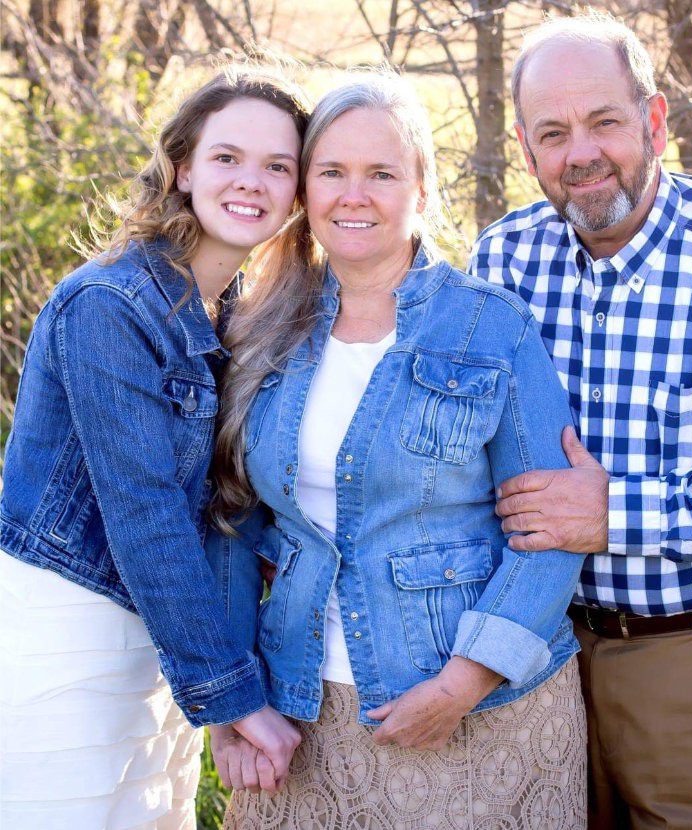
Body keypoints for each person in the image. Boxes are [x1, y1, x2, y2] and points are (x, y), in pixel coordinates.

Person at [206, 74, 587, 828]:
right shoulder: (259, 331)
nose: (356, 195)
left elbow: (550, 536)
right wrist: (230, 704)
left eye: (381, 173)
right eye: (333, 172)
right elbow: (232, 527)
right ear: (305, 192)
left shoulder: (490, 329)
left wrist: (463, 685)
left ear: (420, 189)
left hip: (480, 716)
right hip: (299, 715)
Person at [469, 11, 692, 830]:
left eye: (604, 121)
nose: (580, 153)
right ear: (524, 147)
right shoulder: (502, 262)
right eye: (552, 132)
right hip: (539, 670)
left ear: (653, 121)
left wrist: (620, 511)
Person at [0, 66, 308, 829]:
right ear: (182, 168)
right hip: (67, 635)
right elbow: (145, 514)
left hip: (162, 640)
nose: (252, 181)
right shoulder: (107, 305)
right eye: (228, 157)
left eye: (278, 166)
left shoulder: (234, 313)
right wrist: (235, 697)